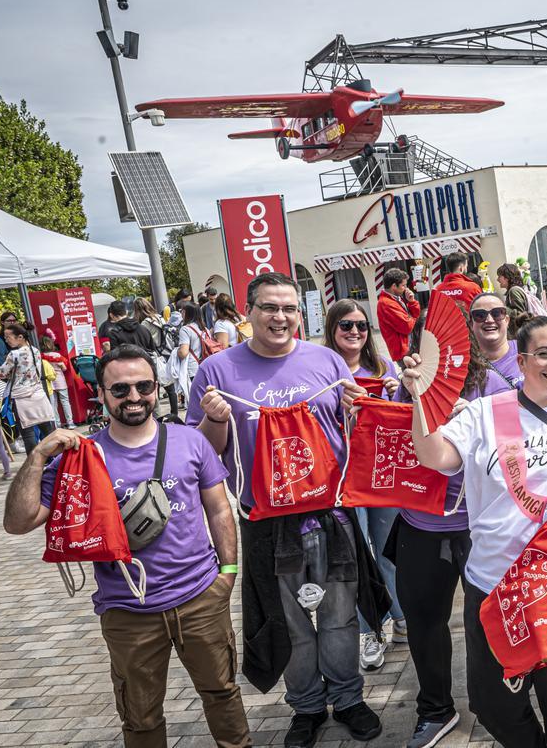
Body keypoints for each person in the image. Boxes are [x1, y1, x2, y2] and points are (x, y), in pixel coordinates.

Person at [402, 315, 547, 748]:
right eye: (543, 354)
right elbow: (434, 456)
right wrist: (420, 398)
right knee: (491, 702)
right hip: (491, 583)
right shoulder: (486, 413)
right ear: (522, 361)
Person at [3, 345, 251, 747]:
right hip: (127, 609)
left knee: (222, 693)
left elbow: (220, 509)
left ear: (156, 388)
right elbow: (17, 523)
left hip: (201, 598)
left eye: (143, 386)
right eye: (120, 389)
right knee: (140, 716)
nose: (134, 397)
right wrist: (36, 456)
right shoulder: (81, 457)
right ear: (100, 393)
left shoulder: (190, 441)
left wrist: (227, 574)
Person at [189, 272, 385, 748]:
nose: (280, 317)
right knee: (291, 622)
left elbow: (356, 433)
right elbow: (205, 452)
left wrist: (359, 409)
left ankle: (349, 698)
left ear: (301, 313)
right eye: (269, 308)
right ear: (247, 313)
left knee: (339, 616)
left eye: (290, 308)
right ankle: (307, 707)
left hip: (331, 512)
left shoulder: (328, 361)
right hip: (266, 520)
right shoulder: (217, 371)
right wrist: (215, 419)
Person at [392, 292, 519, 747]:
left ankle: (506, 699)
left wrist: (482, 421)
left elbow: (516, 457)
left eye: (448, 343)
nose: (439, 354)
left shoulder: (494, 387)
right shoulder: (404, 385)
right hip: (421, 525)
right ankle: (435, 709)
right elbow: (388, 444)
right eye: (427, 343)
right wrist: (405, 398)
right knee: (425, 623)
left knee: (495, 618)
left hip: (481, 527)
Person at [321, 299, 406, 673]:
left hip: (381, 472)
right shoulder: (321, 370)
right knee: (356, 554)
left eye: (360, 325)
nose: (354, 332)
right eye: (345, 325)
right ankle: (372, 627)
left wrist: (394, 392)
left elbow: (404, 418)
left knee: (389, 549)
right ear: (332, 329)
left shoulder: (384, 367)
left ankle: (401, 617)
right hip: (341, 474)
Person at [0, 324, 57, 454]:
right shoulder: (35, 350)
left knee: (28, 434)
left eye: (8, 337)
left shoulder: (14, 354)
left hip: (21, 398)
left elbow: (1, 373)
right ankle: (57, 460)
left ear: (20, 337)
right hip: (39, 395)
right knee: (48, 431)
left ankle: (34, 464)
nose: (6, 339)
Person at [377, 268, 421, 361]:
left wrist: (412, 301)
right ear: (394, 286)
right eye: (403, 285)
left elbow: (415, 315)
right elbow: (407, 326)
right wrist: (413, 318)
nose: (406, 288)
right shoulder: (386, 304)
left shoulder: (396, 298)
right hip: (403, 351)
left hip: (408, 347)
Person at [173, 303, 208, 405]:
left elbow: (183, 352)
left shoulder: (185, 329)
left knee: (197, 400)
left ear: (187, 313)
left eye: (182, 312)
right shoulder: (204, 328)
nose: (181, 314)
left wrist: (177, 351)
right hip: (205, 366)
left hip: (193, 368)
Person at [40, 336, 73, 429]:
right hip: (60, 381)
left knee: (53, 404)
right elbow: (64, 368)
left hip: (49, 383)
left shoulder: (41, 356)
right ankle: (70, 422)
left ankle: (57, 424)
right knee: (65, 401)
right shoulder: (57, 355)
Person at [496, 262, 533, 331]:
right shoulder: (514, 290)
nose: (497, 280)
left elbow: (520, 314)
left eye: (499, 276)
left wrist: (502, 309)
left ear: (507, 277)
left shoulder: (514, 290)